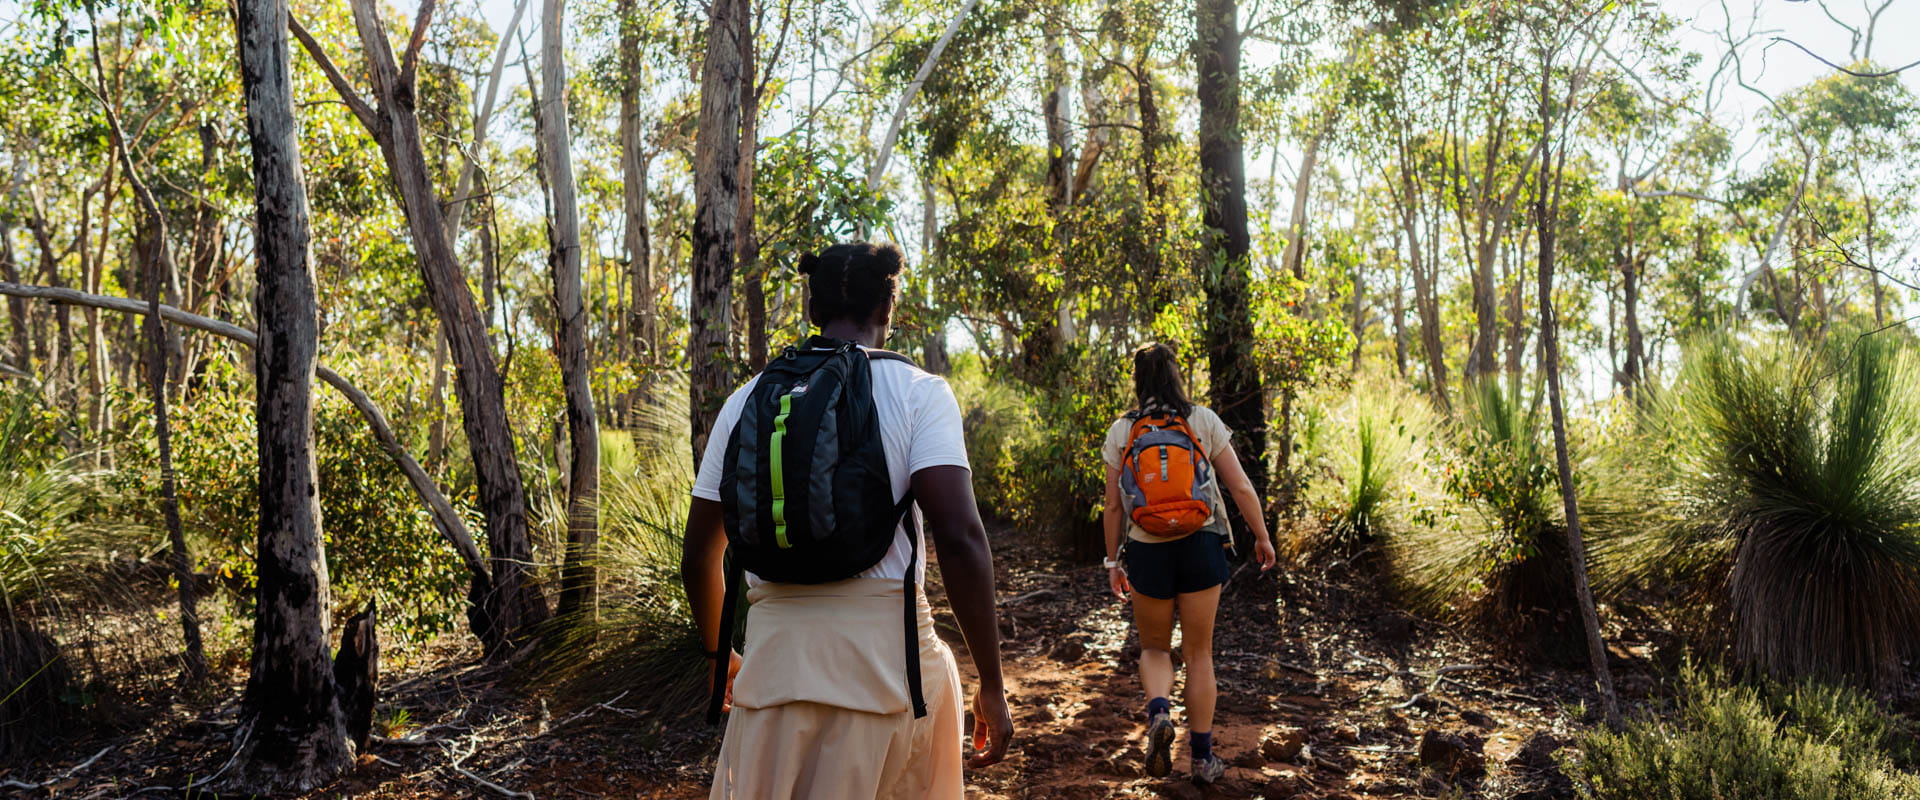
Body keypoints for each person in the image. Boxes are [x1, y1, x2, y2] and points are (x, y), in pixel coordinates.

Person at [681, 242, 1013, 799]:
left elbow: (699, 557)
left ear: (812, 308)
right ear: (887, 309)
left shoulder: (746, 401)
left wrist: (722, 659)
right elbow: (960, 539)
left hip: (773, 681)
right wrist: (993, 686)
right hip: (891, 681)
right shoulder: (920, 395)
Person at [1101, 342, 1276, 784]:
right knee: (1199, 654)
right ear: (1176, 374)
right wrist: (1261, 535)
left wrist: (1112, 563)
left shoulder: (1123, 430)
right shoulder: (1202, 420)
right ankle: (1202, 759)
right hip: (1201, 543)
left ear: (1138, 380)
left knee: (1156, 648)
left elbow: (1113, 508)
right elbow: (1239, 487)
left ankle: (1160, 712)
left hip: (1147, 548)